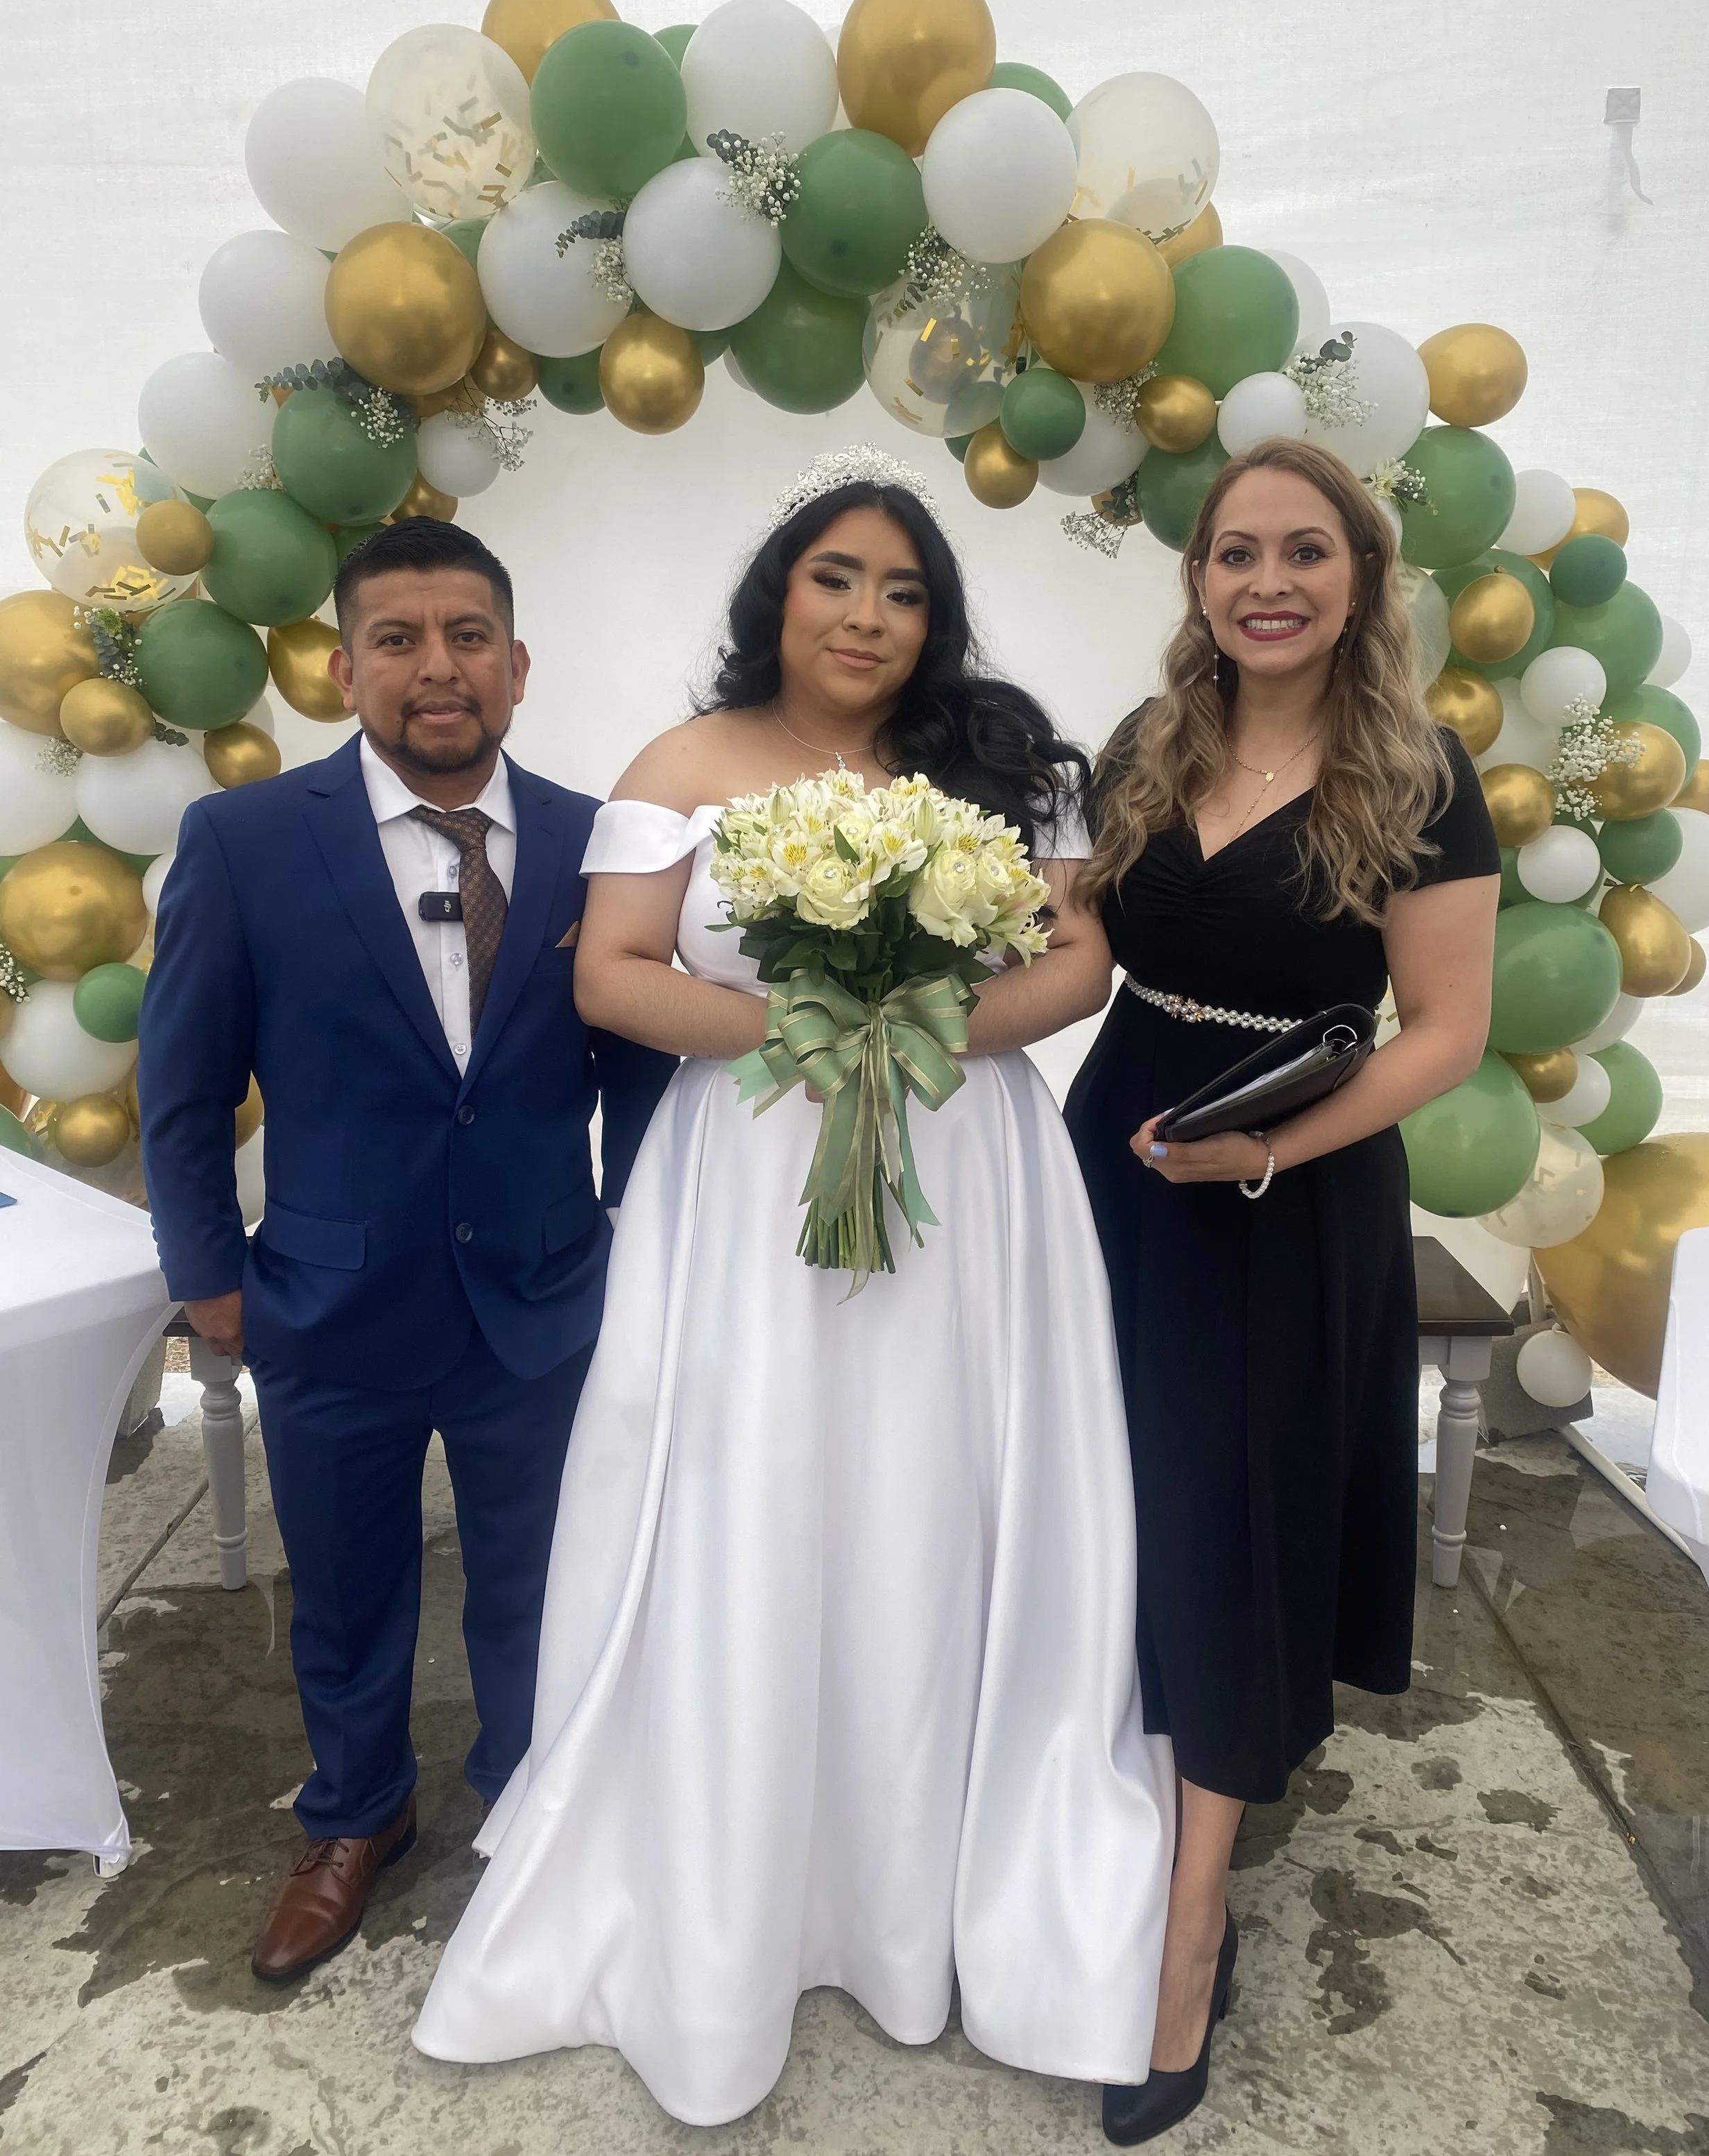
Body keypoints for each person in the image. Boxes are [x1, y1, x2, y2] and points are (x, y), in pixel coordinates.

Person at [413, 450, 1174, 2123]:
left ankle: (940, 1861)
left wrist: (924, 1034)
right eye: (838, 578)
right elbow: (612, 976)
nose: (870, 616)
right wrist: (808, 1033)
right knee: (756, 1492)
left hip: (969, 1170)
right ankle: (741, 1861)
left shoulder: (1004, 754)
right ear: (781, 589)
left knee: (938, 1493)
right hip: (747, 1174)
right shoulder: (684, 760)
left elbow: (1075, 954)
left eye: (905, 591)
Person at [137, 517, 675, 1985]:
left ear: (515, 664)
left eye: (464, 639)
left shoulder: (591, 842)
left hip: (544, 1299)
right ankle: (353, 1820)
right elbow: (181, 1087)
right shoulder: (243, 842)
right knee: (351, 1584)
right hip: (325, 1303)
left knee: (535, 1580)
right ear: (341, 666)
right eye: (397, 640)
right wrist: (209, 1280)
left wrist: (643, 1241)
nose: (436, 670)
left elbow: (638, 1071)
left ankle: (529, 1805)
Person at [1064, 438, 1500, 2142]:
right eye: (1233, 550)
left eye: (1302, 551)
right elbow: (1087, 955)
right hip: (1116, 1159)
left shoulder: (1419, 771)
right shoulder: (1145, 745)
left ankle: (1188, 1935)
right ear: (1194, 579)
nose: (1265, 580)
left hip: (1282, 1185)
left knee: (1226, 1527)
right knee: (1111, 1505)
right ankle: (1106, 1819)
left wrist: (1273, 1151)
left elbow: (1446, 1034)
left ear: (1358, 577)